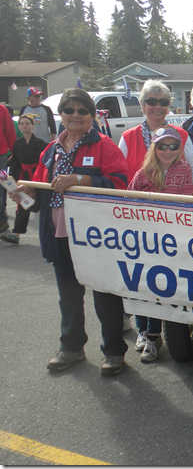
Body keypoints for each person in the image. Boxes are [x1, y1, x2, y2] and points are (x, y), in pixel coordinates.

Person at [9, 88, 130, 376]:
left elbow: (121, 184)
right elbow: (41, 187)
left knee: (104, 294)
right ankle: (71, 347)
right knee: (68, 294)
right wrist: (26, 193)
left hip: (95, 235)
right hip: (58, 231)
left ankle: (114, 352)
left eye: (82, 111)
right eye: (69, 110)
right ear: (60, 115)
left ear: (91, 115)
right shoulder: (51, 149)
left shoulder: (104, 146)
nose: (75, 115)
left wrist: (80, 179)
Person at [128, 127, 193, 362]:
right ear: (154, 148)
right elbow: (130, 202)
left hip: (171, 240)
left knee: (160, 286)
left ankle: (154, 336)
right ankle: (142, 330)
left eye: (173, 146)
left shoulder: (184, 170)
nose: (168, 150)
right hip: (146, 238)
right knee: (141, 286)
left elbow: (186, 203)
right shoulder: (143, 173)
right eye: (162, 146)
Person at [118, 79, 193, 195]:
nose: (158, 107)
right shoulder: (128, 138)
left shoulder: (182, 136)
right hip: (139, 208)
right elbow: (118, 175)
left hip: (176, 208)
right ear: (142, 105)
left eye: (163, 102)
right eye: (152, 102)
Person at [1, 115, 47, 244]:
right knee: (22, 205)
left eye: (27, 123)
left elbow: (45, 162)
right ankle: (17, 233)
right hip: (23, 177)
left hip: (37, 177)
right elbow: (14, 162)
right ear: (19, 126)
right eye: (22, 123)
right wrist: (9, 178)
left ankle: (50, 233)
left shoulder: (41, 144)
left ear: (33, 126)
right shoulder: (17, 143)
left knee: (43, 205)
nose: (25, 126)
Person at [0, 103, 17, 234]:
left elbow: (10, 132)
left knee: (2, 188)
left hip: (2, 156)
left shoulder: (2, 109)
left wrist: (13, 152)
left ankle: (2, 222)